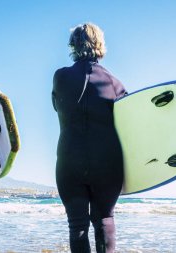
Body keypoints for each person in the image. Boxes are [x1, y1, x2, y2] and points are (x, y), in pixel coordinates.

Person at [52, 23, 127, 253]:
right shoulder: (114, 84)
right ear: (100, 45)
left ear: (73, 45)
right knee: (104, 220)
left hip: (69, 161)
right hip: (107, 163)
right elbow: (129, 124)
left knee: (77, 226)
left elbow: (56, 106)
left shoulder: (60, 78)